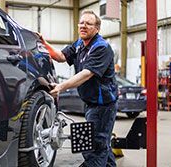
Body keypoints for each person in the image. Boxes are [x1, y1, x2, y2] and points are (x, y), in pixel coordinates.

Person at [39, 10, 118, 167]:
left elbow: (86, 74)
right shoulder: (79, 44)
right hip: (90, 103)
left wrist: (61, 86)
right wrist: (43, 43)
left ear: (97, 28)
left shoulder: (101, 47)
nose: (83, 26)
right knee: (102, 145)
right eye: (81, 23)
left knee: (94, 147)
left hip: (103, 106)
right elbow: (61, 56)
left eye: (88, 23)